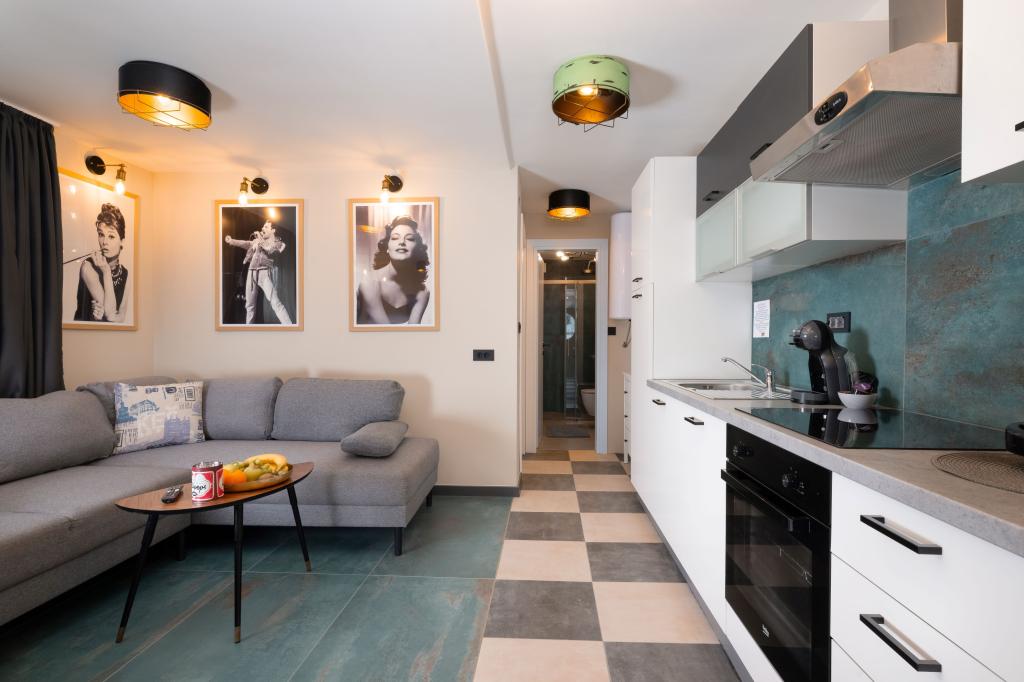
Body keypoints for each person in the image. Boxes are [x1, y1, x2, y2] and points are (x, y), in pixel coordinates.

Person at [356, 215, 430, 325]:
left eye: (409, 239)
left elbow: (414, 331)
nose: (402, 242)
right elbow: (386, 330)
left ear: (417, 250)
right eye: (395, 238)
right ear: (387, 247)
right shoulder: (370, 282)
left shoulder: (422, 293)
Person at [224, 220, 293, 324]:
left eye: (266, 227)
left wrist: (260, 239)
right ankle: (249, 329)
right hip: (251, 273)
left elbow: (269, 249)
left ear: (273, 230)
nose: (262, 229)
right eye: (263, 227)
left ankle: (289, 326)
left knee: (275, 302)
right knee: (249, 305)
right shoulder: (257, 241)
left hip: (264, 273)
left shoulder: (277, 243)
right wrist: (232, 241)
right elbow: (246, 243)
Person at [75, 203, 128, 322]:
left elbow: (121, 317)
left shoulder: (125, 273)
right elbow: (110, 315)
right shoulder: (88, 267)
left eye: (111, 236)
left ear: (122, 241)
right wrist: (106, 272)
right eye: (101, 234)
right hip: (83, 331)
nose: (104, 242)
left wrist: (114, 316)